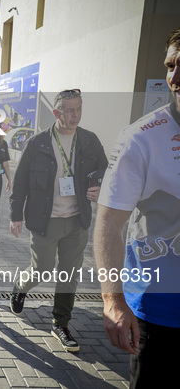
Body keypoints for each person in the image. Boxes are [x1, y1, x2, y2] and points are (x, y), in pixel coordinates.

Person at [93, 28, 180, 387]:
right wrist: (113, 302)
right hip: (162, 311)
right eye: (170, 65)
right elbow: (109, 223)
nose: (174, 77)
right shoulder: (142, 138)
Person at [9, 89, 108, 352]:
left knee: (69, 274)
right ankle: (20, 286)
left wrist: (98, 183)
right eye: (69, 110)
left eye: (78, 109)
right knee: (41, 269)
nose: (75, 115)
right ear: (56, 113)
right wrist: (15, 215)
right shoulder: (38, 142)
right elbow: (20, 183)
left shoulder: (89, 140)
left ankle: (60, 323)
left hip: (77, 220)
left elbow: (106, 169)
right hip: (45, 219)